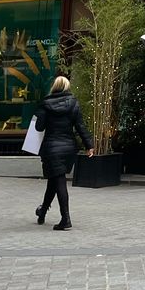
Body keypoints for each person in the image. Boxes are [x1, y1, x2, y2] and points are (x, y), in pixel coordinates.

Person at [34, 75, 94, 231]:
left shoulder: (45, 104)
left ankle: (65, 219)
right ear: (67, 87)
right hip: (68, 148)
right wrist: (89, 145)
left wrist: (40, 114)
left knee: (58, 181)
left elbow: (39, 128)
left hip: (52, 148)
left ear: (54, 87)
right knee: (54, 180)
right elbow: (80, 126)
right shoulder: (73, 103)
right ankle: (42, 212)